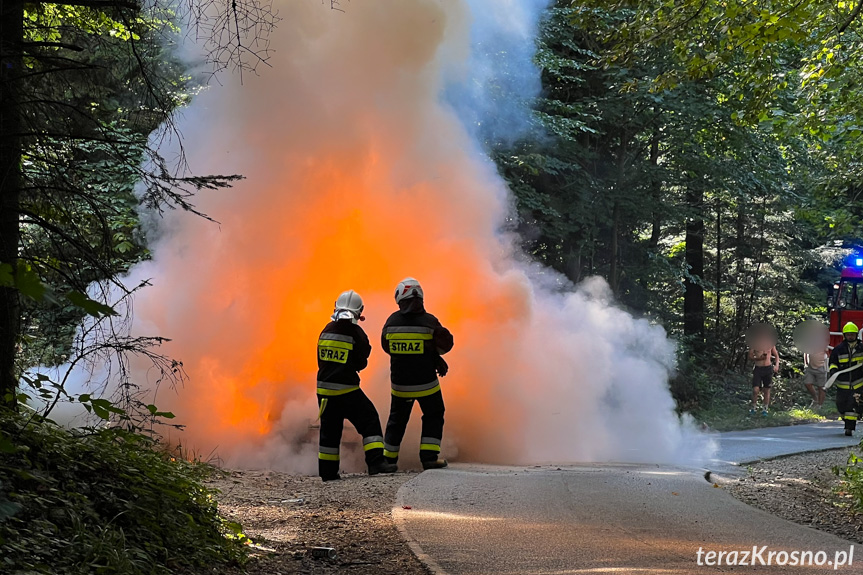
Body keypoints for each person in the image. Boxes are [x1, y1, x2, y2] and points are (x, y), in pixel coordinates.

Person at [315, 290, 397, 481]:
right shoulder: (357, 333)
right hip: (347, 390)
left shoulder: (325, 330)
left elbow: (321, 361)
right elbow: (361, 362)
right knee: (369, 420)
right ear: (359, 312)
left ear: (336, 307)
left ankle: (327, 473)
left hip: (324, 391)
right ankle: (376, 462)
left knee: (329, 432)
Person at [381, 277, 453, 470]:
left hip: (400, 386)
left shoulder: (391, 322)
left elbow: (386, 347)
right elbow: (444, 344)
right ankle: (429, 458)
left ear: (399, 297)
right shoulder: (430, 322)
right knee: (434, 414)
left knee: (396, 420)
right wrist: (435, 358)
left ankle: (388, 460)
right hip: (426, 385)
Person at [828, 322, 863, 436]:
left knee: (852, 405)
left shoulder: (861, 348)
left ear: (856, 335)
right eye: (848, 335)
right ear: (844, 335)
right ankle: (847, 421)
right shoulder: (838, 349)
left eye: (852, 334)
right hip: (842, 384)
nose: (850, 337)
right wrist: (833, 371)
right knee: (841, 405)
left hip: (858, 384)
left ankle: (849, 427)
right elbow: (833, 362)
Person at [749, 337, 779, 416]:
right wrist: (759, 358)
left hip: (768, 369)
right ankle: (753, 408)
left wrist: (776, 365)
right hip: (758, 369)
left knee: (767, 390)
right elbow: (750, 356)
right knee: (755, 390)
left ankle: (765, 409)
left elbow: (776, 355)